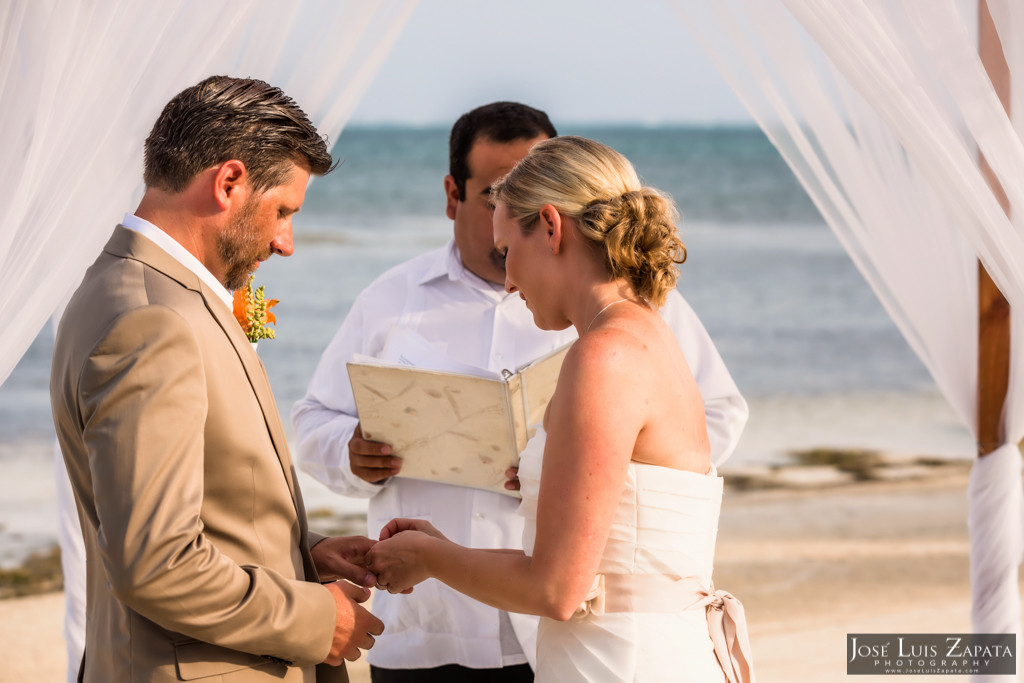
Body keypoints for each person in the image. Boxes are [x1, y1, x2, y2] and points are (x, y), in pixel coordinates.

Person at [292, 103, 748, 681]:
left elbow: (558, 589)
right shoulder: (643, 331)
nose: (508, 280)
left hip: (614, 660)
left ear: (552, 228)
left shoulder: (602, 356)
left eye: (510, 251)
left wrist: (432, 557)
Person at [50, 75, 385, 683]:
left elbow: (188, 507)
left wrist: (300, 555)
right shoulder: (154, 319)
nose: (286, 242)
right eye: (282, 211)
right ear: (228, 183)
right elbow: (156, 561)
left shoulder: (124, 287)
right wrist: (315, 618)